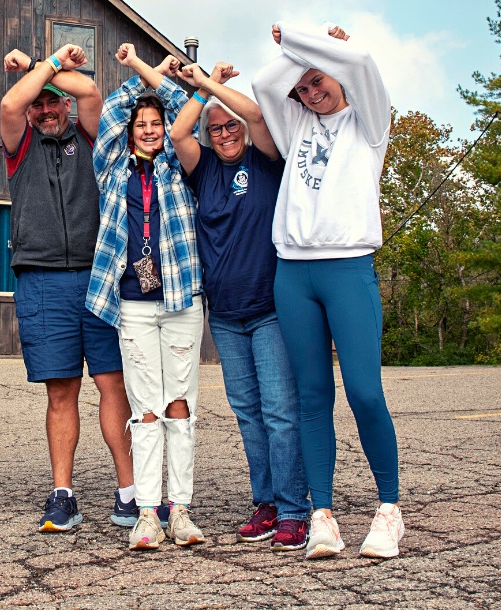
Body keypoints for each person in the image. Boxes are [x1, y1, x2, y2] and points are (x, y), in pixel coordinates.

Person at [252, 22, 403, 559]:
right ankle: (323, 516)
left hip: (347, 268)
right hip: (294, 272)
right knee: (312, 398)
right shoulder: (296, 125)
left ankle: (389, 510)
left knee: (364, 391)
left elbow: (359, 61)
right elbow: (268, 86)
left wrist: (316, 43)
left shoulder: (369, 125)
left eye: (320, 83)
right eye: (306, 89)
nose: (312, 94)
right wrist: (301, 56)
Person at [171, 60, 311, 552]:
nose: (226, 132)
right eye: (217, 128)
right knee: (249, 413)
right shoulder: (204, 168)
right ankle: (266, 502)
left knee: (279, 411)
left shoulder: (265, 160)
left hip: (271, 306)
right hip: (225, 315)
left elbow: (255, 117)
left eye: (230, 126)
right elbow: (178, 130)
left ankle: (295, 509)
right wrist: (205, 93)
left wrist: (218, 88)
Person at [0, 44, 136, 532]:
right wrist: (43, 70)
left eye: (52, 102)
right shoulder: (20, 144)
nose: (45, 110)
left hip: (97, 275)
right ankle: (63, 495)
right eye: (40, 103)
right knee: (61, 391)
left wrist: (43, 65)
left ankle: (129, 493)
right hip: (41, 280)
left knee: (111, 383)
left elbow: (92, 90)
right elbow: (11, 106)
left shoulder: (92, 135)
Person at [87, 44, 205, 550]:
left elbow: (182, 111)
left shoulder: (180, 166)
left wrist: (161, 81)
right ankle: (148, 514)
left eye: (156, 123)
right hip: (132, 303)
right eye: (143, 124)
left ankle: (180, 510)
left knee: (180, 406)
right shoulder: (111, 166)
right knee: (146, 409)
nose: (151, 129)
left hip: (180, 300)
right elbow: (114, 109)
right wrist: (141, 70)